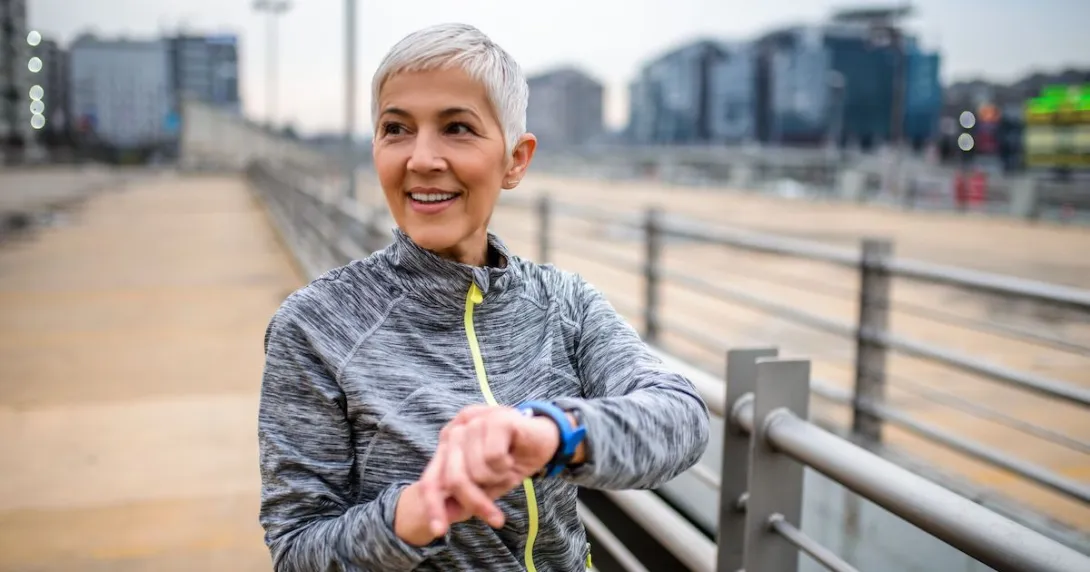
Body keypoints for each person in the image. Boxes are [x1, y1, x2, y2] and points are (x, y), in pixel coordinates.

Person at [257, 22, 710, 572]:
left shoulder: (564, 303)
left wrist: (550, 434)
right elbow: (298, 550)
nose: (421, 158)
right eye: (396, 128)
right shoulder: (313, 327)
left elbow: (681, 417)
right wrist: (411, 514)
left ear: (516, 160)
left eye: (457, 128)